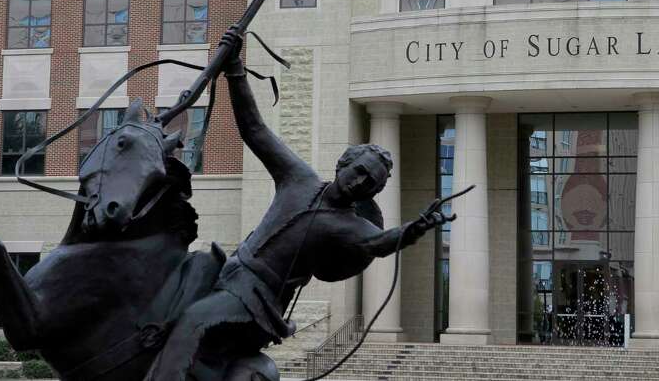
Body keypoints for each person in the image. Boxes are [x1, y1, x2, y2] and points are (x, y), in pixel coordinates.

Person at [144, 28, 455, 380]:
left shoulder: (351, 226)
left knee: (194, 323)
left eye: (370, 183)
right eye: (360, 171)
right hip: (230, 272)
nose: (360, 181)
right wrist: (234, 69)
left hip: (257, 303)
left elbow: (380, 243)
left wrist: (413, 230)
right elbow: (255, 130)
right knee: (165, 296)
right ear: (344, 162)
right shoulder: (298, 177)